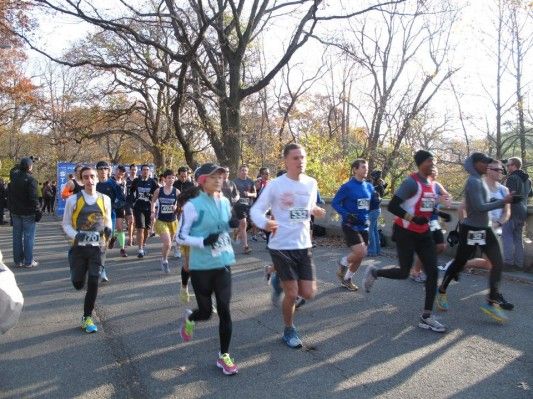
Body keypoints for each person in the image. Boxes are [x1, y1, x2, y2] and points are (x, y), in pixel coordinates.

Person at [363, 150, 449, 333]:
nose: (432, 164)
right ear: (420, 163)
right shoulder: (411, 183)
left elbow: (428, 208)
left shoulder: (433, 185)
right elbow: (393, 205)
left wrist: (441, 214)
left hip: (424, 233)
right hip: (405, 232)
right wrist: (411, 218)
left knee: (433, 272)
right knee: (403, 272)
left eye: (434, 161)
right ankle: (375, 272)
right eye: (429, 161)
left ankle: (426, 316)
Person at [251, 143, 326, 348]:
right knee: (292, 294)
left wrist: (315, 210)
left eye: (303, 157)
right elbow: (256, 211)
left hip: (303, 244)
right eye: (295, 158)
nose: (300, 161)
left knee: (308, 293)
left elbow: (306, 207)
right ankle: (288, 330)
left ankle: (277, 279)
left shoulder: (311, 183)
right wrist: (265, 223)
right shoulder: (275, 185)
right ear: (286, 161)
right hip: (281, 244)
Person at [436, 153, 517, 323]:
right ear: (476, 164)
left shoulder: (481, 180)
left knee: (497, 263)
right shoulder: (473, 181)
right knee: (459, 263)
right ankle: (442, 290)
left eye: (490, 164)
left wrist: (503, 207)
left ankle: (491, 301)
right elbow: (480, 207)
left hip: (487, 229)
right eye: (485, 163)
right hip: (471, 229)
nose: (487, 166)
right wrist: (504, 201)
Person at [176, 163, 240, 375]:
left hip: (222, 263)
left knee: (224, 310)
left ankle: (224, 356)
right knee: (205, 313)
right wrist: (203, 241)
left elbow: (225, 226)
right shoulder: (192, 206)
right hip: (201, 267)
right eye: (213, 176)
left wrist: (233, 222)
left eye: (221, 176)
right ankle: (190, 318)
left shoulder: (224, 202)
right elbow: (181, 236)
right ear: (202, 180)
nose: (219, 179)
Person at [62, 166, 112, 333]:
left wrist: (108, 230)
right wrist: (76, 235)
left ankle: (87, 316)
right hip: (78, 249)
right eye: (86, 177)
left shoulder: (105, 199)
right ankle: (76, 275)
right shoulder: (73, 200)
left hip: (98, 248)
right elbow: (66, 224)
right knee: (78, 284)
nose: (90, 180)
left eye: (92, 177)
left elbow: (107, 220)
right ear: (81, 180)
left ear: (97, 178)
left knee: (93, 280)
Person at [332, 159, 374, 291]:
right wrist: (346, 214)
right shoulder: (347, 187)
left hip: (364, 225)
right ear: (355, 169)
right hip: (350, 224)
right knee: (360, 251)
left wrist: (376, 202)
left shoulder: (369, 186)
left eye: (366, 167)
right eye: (363, 167)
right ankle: (343, 262)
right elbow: (335, 203)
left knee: (361, 254)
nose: (365, 169)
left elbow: (370, 204)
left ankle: (347, 279)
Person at [410, 166, 452, 282]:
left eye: (435, 170)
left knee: (440, 246)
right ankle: (416, 272)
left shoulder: (437, 185)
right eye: (431, 169)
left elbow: (447, 197)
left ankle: (425, 266)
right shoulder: (421, 185)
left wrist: (447, 200)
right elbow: (422, 204)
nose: (433, 171)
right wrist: (437, 200)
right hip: (422, 221)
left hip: (434, 221)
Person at [95, 161, 125, 282]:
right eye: (100, 169)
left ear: (108, 171)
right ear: (97, 171)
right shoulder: (93, 183)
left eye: (105, 169)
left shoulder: (113, 184)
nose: (103, 171)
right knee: (99, 244)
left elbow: (122, 199)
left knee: (106, 241)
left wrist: (113, 206)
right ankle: (101, 269)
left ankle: (99, 266)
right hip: (95, 216)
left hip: (109, 215)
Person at [8, 157, 40, 268]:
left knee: (16, 236)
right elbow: (33, 198)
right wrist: (37, 209)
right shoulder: (31, 180)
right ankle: (29, 261)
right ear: (30, 167)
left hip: (15, 211)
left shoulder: (14, 178)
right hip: (28, 212)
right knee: (28, 237)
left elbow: (13, 170)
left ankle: (18, 261)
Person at [502, 157, 532, 271]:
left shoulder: (512, 178)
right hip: (523, 211)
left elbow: (510, 195)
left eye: (509, 165)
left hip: (512, 210)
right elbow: (530, 194)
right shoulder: (527, 180)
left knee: (507, 236)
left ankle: (509, 263)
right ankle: (519, 264)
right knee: (518, 238)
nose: (507, 167)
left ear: (514, 165)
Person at [151, 169, 179, 273]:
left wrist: (176, 207)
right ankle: (165, 261)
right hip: (161, 220)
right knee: (167, 243)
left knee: (170, 244)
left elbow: (181, 205)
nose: (171, 179)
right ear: (164, 179)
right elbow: (153, 201)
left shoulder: (176, 191)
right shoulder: (159, 191)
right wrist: (152, 212)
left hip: (172, 221)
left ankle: (163, 258)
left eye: (173, 177)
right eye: (169, 178)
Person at [129, 165, 158, 258]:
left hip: (148, 208)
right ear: (141, 172)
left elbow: (157, 193)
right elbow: (131, 192)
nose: (145, 171)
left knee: (146, 229)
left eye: (147, 170)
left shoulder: (153, 182)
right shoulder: (136, 181)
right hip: (138, 207)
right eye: (144, 170)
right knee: (140, 228)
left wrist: (151, 198)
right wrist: (132, 202)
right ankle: (140, 249)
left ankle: (143, 243)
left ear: (149, 172)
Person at [233, 165, 257, 254]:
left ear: (248, 171)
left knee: (249, 224)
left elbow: (255, 194)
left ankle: (237, 232)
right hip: (239, 205)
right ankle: (246, 246)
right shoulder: (234, 182)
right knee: (243, 223)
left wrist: (249, 194)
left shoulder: (250, 181)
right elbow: (231, 194)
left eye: (245, 170)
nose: (244, 172)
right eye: (242, 170)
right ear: (239, 171)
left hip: (248, 205)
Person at [368, 170, 386, 256]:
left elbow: (372, 197)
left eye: (372, 176)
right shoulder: (379, 186)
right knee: (374, 231)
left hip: (373, 210)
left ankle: (372, 251)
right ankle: (377, 250)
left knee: (370, 231)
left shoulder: (377, 186)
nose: (371, 177)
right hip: (376, 210)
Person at [112, 165, 129, 257]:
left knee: (120, 228)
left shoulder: (124, 182)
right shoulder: (110, 181)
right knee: (110, 229)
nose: (120, 173)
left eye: (122, 172)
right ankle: (113, 236)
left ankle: (122, 249)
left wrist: (125, 208)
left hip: (120, 207)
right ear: (115, 171)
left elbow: (124, 196)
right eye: (119, 171)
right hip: (110, 207)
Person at [251, 167, 270, 241]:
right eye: (265, 174)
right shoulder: (258, 182)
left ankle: (265, 234)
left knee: (267, 219)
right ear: (261, 174)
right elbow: (254, 192)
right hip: (258, 204)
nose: (267, 175)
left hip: (267, 205)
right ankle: (254, 235)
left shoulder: (270, 182)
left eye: (268, 173)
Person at [125, 164, 138, 246]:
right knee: (131, 221)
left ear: (137, 170)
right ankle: (130, 238)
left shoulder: (139, 180)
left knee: (135, 222)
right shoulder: (126, 180)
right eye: (132, 169)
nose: (133, 171)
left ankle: (132, 236)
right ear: (130, 170)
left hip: (137, 202)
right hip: (128, 202)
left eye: (135, 169)